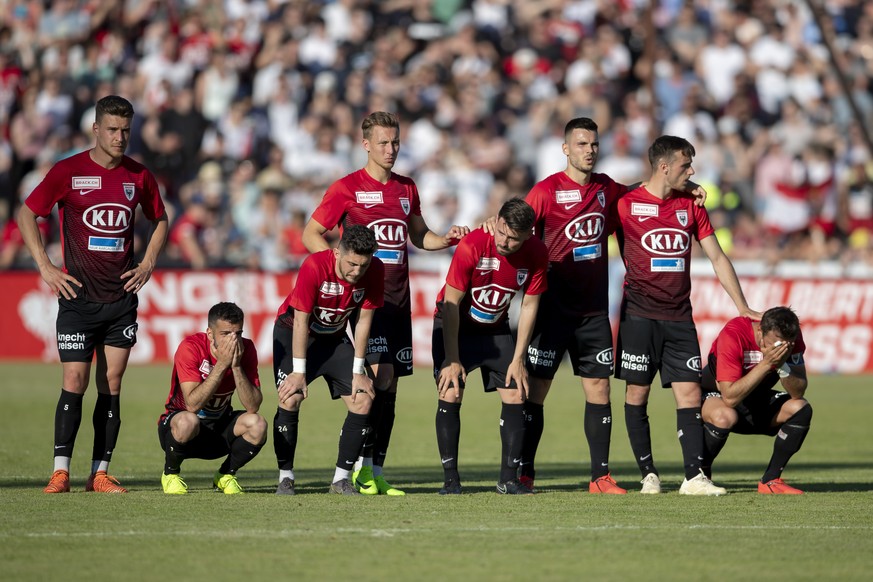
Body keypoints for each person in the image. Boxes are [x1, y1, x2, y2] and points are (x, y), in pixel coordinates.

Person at [514, 117, 706, 494]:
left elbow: (647, 187)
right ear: (566, 149)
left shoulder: (607, 190)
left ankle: (599, 477)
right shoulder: (545, 190)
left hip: (593, 313)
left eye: (594, 144)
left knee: (600, 390)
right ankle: (524, 472)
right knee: (536, 393)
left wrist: (689, 185)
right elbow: (517, 227)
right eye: (582, 144)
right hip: (552, 309)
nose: (590, 150)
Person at [300, 111, 468, 495]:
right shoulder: (346, 188)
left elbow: (419, 235)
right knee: (375, 378)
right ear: (365, 145)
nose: (391, 149)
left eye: (395, 142)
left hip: (399, 301)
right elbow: (312, 233)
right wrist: (338, 272)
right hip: (366, 302)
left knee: (390, 384)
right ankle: (354, 468)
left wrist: (445, 240)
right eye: (383, 143)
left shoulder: (407, 188)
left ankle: (374, 469)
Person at [19, 95, 168, 494]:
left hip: (121, 300)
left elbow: (161, 219)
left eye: (126, 131)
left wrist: (149, 261)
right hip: (78, 297)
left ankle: (100, 473)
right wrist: (46, 267)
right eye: (114, 130)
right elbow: (26, 213)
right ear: (96, 130)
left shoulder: (139, 176)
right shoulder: (68, 171)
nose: (120, 138)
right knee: (74, 378)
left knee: (112, 382)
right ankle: (60, 471)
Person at [611, 135, 760, 495]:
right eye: (685, 165)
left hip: (679, 316)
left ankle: (694, 477)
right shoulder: (625, 203)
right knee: (637, 394)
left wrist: (742, 307)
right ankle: (648, 475)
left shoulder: (691, 206)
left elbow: (718, 258)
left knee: (691, 394)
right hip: (638, 315)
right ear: (664, 166)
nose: (692, 172)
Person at [434, 198, 548, 495]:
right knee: (451, 389)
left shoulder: (536, 252)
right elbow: (450, 304)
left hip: (495, 329)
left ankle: (508, 480)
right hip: (454, 324)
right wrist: (452, 359)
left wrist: (519, 358)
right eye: (502, 232)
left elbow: (529, 307)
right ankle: (450, 481)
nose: (505, 242)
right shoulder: (472, 246)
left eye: (514, 238)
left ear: (528, 235)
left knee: (515, 392)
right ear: (496, 222)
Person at [272, 225, 384, 495]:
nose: (357, 271)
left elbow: (363, 322)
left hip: (333, 339)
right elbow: (300, 320)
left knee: (363, 397)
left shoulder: (376, 270)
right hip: (295, 334)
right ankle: (285, 477)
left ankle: (341, 479)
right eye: (352, 264)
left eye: (363, 265)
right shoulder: (314, 266)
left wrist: (359, 370)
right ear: (337, 253)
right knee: (290, 396)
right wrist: (298, 372)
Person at [158, 302, 267, 494]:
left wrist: (235, 366)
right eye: (225, 334)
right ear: (210, 334)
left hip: (219, 430)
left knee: (257, 424)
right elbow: (192, 404)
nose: (233, 340)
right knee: (188, 420)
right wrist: (221, 365)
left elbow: (253, 405)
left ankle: (225, 475)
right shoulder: (191, 347)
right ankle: (170, 475)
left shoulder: (246, 349)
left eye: (238, 333)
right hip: (181, 430)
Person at [700, 306, 811, 494]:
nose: (783, 347)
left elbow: (797, 392)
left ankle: (771, 480)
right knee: (724, 415)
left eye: (788, 344)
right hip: (715, 397)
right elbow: (730, 397)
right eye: (777, 343)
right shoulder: (734, 333)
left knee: (801, 408)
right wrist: (767, 363)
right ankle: (700, 475)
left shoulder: (792, 340)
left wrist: (782, 363)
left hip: (753, 398)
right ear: (760, 330)